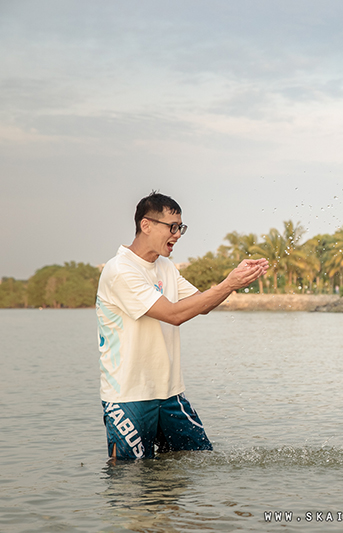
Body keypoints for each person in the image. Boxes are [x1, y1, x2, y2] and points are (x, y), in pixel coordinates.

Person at [96, 191, 268, 460]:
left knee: (200, 461)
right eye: (172, 227)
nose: (177, 235)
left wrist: (235, 281)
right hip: (129, 397)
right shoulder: (120, 270)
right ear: (146, 225)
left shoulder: (165, 267)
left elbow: (202, 304)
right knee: (131, 482)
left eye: (180, 228)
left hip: (170, 393)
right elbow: (174, 314)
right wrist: (228, 284)